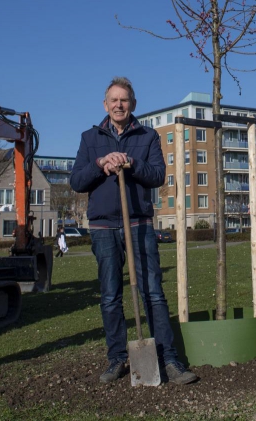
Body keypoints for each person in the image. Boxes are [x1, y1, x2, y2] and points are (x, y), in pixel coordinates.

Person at [70, 77, 198, 385]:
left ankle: (168, 359)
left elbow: (157, 175)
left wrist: (130, 161)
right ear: (105, 105)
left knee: (152, 292)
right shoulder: (90, 138)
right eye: (114, 100)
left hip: (139, 223)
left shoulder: (148, 136)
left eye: (124, 100)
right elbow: (77, 181)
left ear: (133, 104)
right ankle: (116, 358)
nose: (119, 105)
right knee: (110, 295)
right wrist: (100, 163)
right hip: (103, 226)